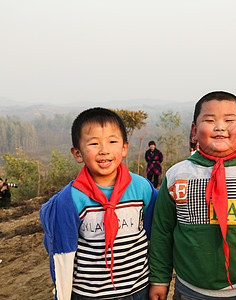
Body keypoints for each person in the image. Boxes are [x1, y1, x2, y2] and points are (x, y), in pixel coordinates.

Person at [149, 91, 236, 299]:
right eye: (210, 120)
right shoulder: (177, 175)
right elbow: (162, 231)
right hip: (190, 290)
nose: (220, 127)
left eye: (229, 120)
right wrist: (159, 279)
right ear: (194, 130)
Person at [39, 107, 158, 300]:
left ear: (124, 148)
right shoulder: (71, 198)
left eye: (112, 141)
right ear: (77, 153)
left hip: (138, 290)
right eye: (94, 143)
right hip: (89, 294)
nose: (104, 150)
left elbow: (157, 230)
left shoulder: (141, 188)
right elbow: (60, 251)